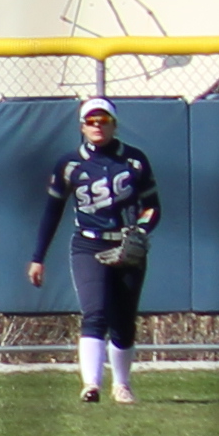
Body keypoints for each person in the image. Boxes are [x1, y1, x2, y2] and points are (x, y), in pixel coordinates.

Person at [30, 95, 162, 405]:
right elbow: (52, 211)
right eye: (91, 121)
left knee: (123, 320)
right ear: (82, 127)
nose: (97, 126)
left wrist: (140, 231)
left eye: (103, 121)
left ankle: (122, 384)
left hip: (126, 242)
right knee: (95, 312)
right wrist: (38, 257)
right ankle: (91, 385)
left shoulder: (134, 160)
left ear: (114, 125)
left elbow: (153, 207)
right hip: (89, 243)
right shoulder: (70, 164)